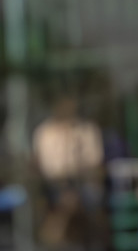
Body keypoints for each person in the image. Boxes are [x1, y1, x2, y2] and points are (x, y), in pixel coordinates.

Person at [33, 94, 105, 249]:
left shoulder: (86, 129)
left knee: (88, 202)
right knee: (58, 205)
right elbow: (40, 162)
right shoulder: (44, 131)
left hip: (83, 181)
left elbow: (95, 159)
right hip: (52, 184)